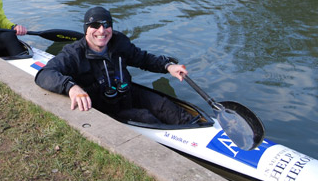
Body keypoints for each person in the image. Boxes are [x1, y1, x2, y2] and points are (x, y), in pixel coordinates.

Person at [35, 6, 197, 125]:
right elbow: (44, 74)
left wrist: (168, 67)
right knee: (147, 118)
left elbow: (143, 59)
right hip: (104, 106)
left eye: (106, 25)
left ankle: (194, 127)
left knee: (168, 107)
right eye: (95, 26)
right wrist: (71, 88)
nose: (102, 30)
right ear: (86, 30)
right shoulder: (73, 53)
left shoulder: (119, 42)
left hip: (128, 94)